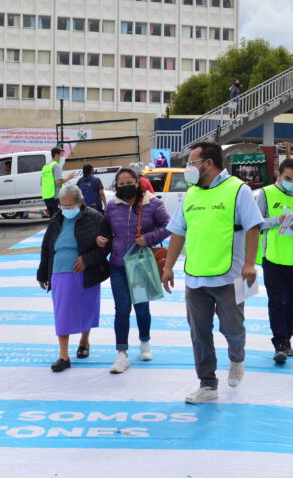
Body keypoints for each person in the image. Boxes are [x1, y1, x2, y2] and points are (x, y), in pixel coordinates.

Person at [162, 142, 262, 404]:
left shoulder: (238, 190)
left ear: (207, 163)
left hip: (230, 275)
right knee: (200, 333)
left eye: (192, 162)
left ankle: (237, 358)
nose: (189, 168)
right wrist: (168, 267)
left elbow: (253, 228)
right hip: (195, 277)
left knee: (232, 328)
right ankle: (207, 384)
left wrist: (249, 263)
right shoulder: (191, 195)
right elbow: (177, 233)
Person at [99, 167, 170, 374]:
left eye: (129, 182)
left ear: (137, 182)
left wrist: (149, 238)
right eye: (121, 184)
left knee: (141, 306)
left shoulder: (152, 203)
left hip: (140, 264)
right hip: (118, 266)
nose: (125, 186)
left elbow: (169, 225)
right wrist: (100, 238)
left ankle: (145, 343)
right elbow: (104, 228)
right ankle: (121, 353)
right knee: (121, 309)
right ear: (116, 186)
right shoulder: (112, 206)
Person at [35, 184, 112, 372]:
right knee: (62, 312)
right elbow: (47, 247)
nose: (66, 210)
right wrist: (43, 272)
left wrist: (87, 259)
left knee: (87, 308)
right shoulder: (56, 219)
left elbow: (106, 245)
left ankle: (84, 341)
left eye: (70, 205)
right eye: (63, 206)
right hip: (60, 270)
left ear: (80, 201)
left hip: (86, 271)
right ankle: (63, 355)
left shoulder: (94, 217)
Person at [257, 158, 293, 364]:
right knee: (276, 300)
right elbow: (256, 221)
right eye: (288, 178)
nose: (292, 181)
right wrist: (277, 220)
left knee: (291, 302)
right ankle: (279, 343)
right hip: (272, 256)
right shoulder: (266, 193)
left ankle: (288, 338)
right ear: (279, 175)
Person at [41, 147, 76, 218]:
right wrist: (69, 177)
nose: (63, 158)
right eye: (62, 155)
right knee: (58, 219)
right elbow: (58, 182)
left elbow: (41, 183)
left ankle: (53, 229)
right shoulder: (57, 166)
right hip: (56, 196)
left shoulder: (46, 166)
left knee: (53, 218)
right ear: (56, 155)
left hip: (47, 196)